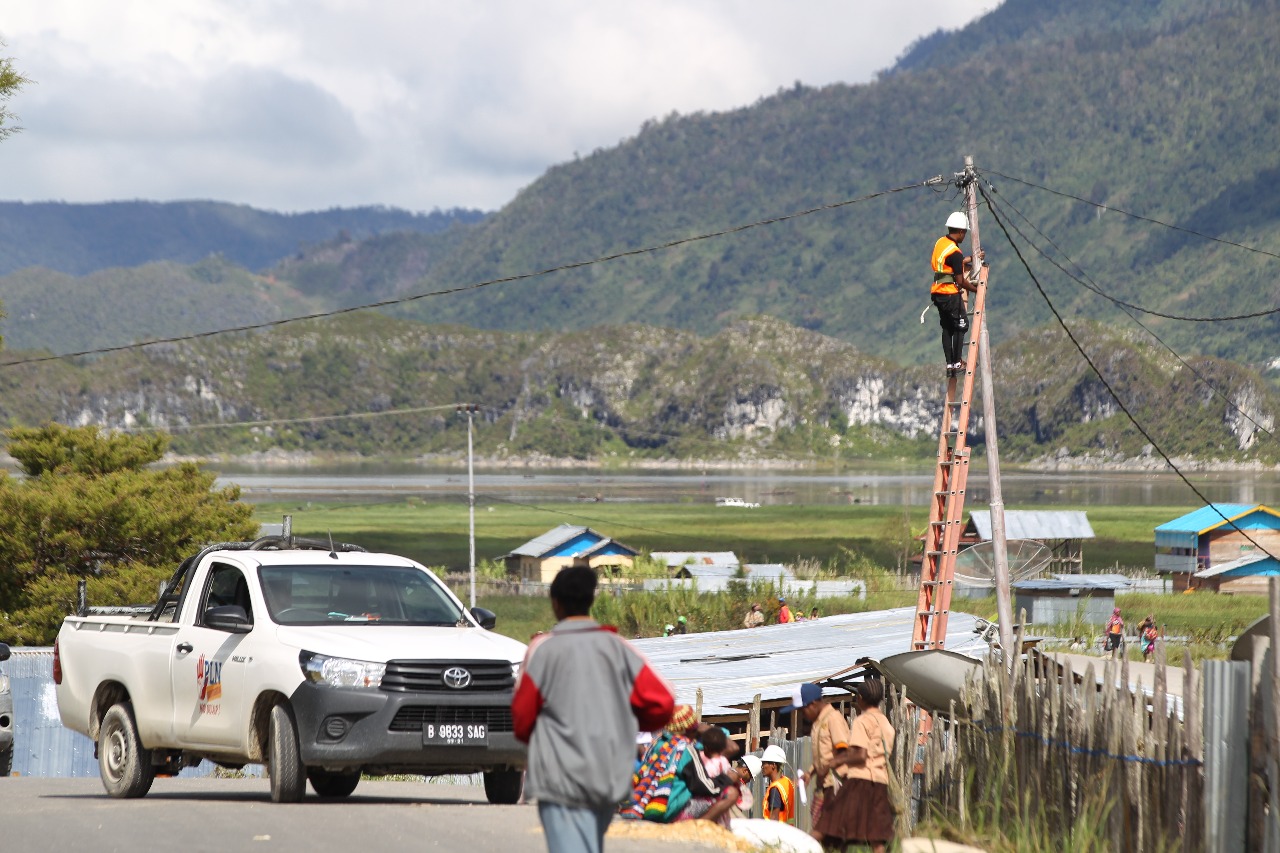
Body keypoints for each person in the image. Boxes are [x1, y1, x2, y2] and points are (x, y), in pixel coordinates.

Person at [512, 566, 675, 853]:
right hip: (606, 774)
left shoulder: (543, 650)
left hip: (560, 775)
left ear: (555, 603)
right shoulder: (618, 648)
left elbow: (522, 719)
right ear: (590, 601)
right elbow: (662, 702)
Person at [815, 678, 896, 853]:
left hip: (860, 780)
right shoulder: (887, 724)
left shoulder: (862, 721)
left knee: (834, 825)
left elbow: (860, 755)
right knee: (877, 836)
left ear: (860, 698)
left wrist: (835, 761)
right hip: (880, 781)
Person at [621, 705, 736, 825]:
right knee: (731, 793)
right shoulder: (685, 749)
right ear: (692, 729)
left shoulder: (657, 743)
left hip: (647, 807)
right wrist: (728, 778)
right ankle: (697, 828)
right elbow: (704, 786)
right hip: (666, 811)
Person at [783, 682, 851, 840]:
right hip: (823, 785)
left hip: (836, 784)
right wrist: (810, 773)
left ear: (812, 704)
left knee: (820, 832)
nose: (803, 715)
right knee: (829, 836)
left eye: (802, 710)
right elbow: (825, 755)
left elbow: (844, 751)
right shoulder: (818, 722)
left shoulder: (833, 719)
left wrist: (827, 767)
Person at [930, 211, 983, 378]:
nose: (964, 236)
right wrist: (977, 289)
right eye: (965, 233)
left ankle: (950, 365)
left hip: (937, 291)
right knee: (961, 324)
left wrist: (970, 259)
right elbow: (960, 281)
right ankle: (958, 362)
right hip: (949, 294)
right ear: (960, 231)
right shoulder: (955, 252)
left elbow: (950, 263)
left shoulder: (942, 243)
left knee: (947, 327)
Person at [760, 744, 796, 823]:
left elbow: (774, 819)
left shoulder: (775, 789)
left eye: (764, 763)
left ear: (773, 765)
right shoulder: (787, 782)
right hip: (786, 831)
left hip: (776, 833)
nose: (762, 766)